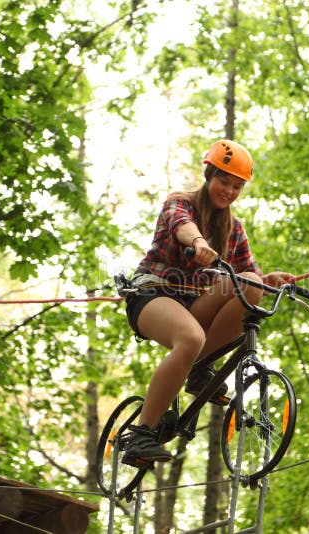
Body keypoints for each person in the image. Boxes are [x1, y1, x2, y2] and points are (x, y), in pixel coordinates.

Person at [121, 139, 295, 465]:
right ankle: (142, 433)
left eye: (237, 186)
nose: (228, 191)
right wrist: (199, 242)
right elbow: (181, 225)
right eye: (223, 181)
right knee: (190, 337)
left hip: (193, 306)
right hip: (153, 295)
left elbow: (247, 275)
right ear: (208, 174)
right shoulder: (181, 203)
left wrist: (269, 280)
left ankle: (200, 367)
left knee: (251, 285)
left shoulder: (234, 228)